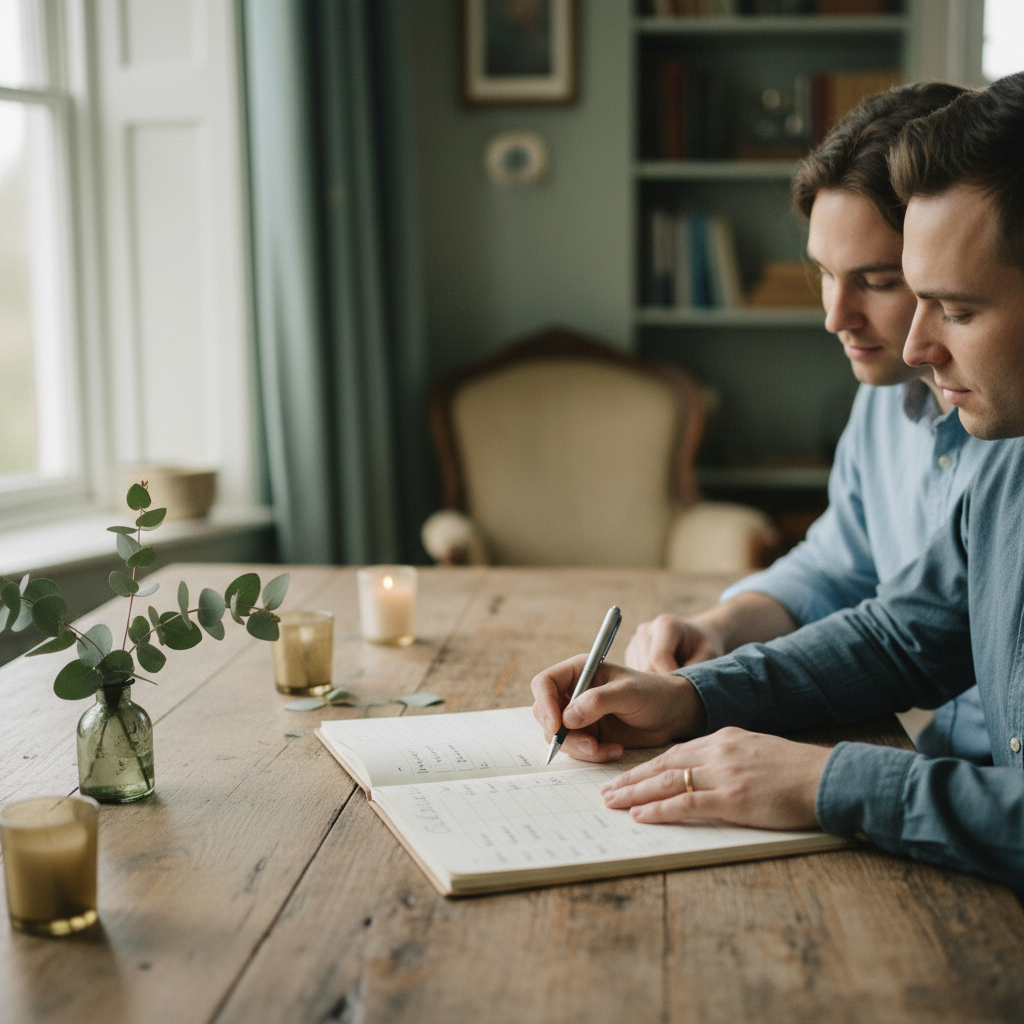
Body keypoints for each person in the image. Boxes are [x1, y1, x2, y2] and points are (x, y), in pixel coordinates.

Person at [531, 72, 1024, 893]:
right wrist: (688, 694)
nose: (915, 350)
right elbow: (904, 633)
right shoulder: (1009, 449)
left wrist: (819, 782)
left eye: (958, 310)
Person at [624, 82, 994, 765]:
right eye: (825, 274)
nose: (835, 316)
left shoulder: (1007, 432)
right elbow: (841, 566)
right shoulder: (884, 397)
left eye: (877, 282)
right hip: (933, 757)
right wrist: (721, 629)